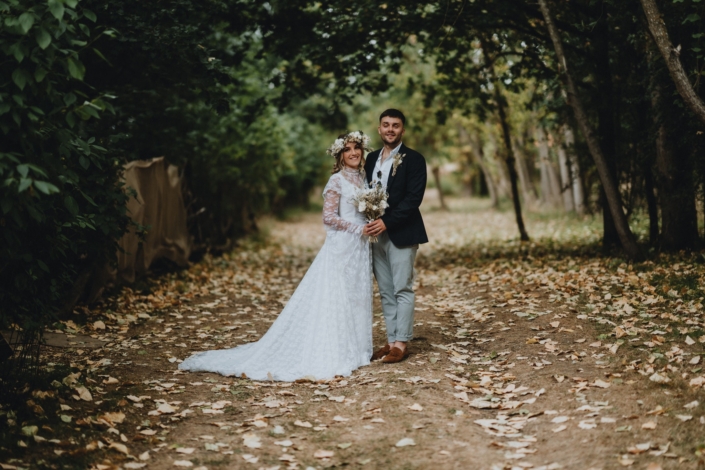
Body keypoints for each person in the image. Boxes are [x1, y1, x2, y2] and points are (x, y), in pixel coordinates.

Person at [179, 132, 373, 381]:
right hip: (343, 245)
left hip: (360, 246)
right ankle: (333, 350)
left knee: (355, 296)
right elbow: (329, 217)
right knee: (337, 296)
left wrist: (370, 221)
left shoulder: (364, 178)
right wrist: (358, 228)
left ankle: (355, 350)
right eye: (348, 149)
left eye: (357, 148)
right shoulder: (336, 180)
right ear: (340, 154)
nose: (354, 153)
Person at [363, 109, 428, 364]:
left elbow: (413, 199)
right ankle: (391, 341)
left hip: (402, 232)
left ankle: (402, 343)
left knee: (402, 288)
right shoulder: (369, 159)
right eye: (386, 125)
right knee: (386, 291)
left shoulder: (414, 159)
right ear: (379, 129)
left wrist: (386, 222)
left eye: (396, 125)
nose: (390, 129)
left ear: (402, 130)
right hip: (375, 236)